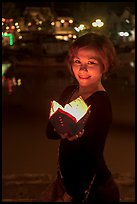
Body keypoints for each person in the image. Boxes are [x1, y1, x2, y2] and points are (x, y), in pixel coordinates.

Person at [46, 32, 120, 202]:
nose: (82, 69)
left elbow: (92, 156)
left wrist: (72, 194)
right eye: (77, 61)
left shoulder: (101, 103)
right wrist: (63, 133)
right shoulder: (69, 91)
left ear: (105, 66)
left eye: (91, 63)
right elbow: (49, 131)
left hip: (94, 188)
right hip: (67, 179)